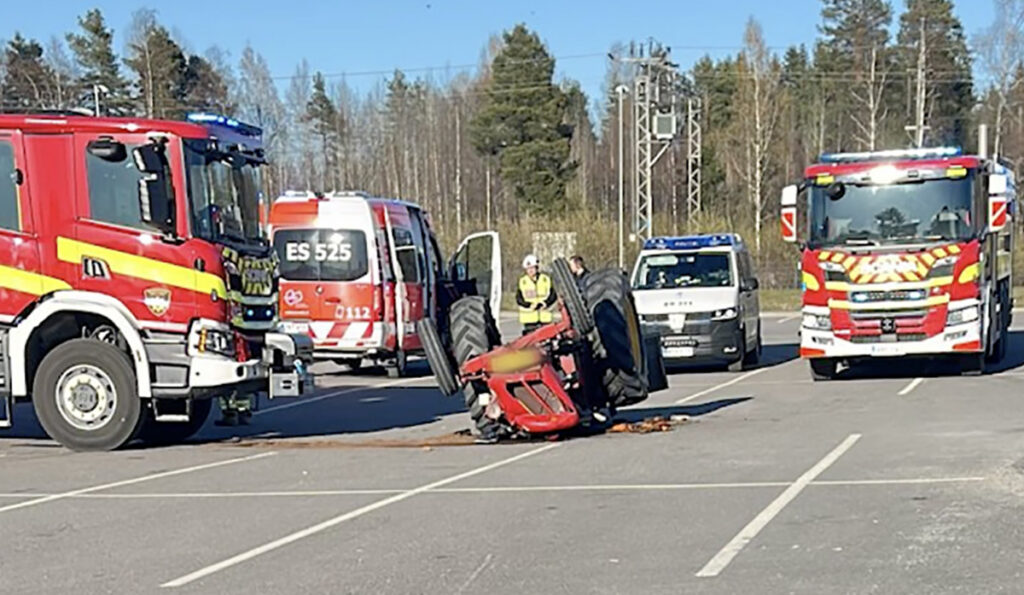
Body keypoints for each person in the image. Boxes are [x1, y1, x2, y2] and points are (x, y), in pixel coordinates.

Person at [516, 254, 557, 335]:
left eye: (532, 268)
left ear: (537, 268)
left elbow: (553, 295)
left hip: (544, 318)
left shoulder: (545, 279)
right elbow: (519, 299)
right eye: (528, 269)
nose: (530, 271)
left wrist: (546, 303)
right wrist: (529, 305)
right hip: (529, 320)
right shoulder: (523, 281)